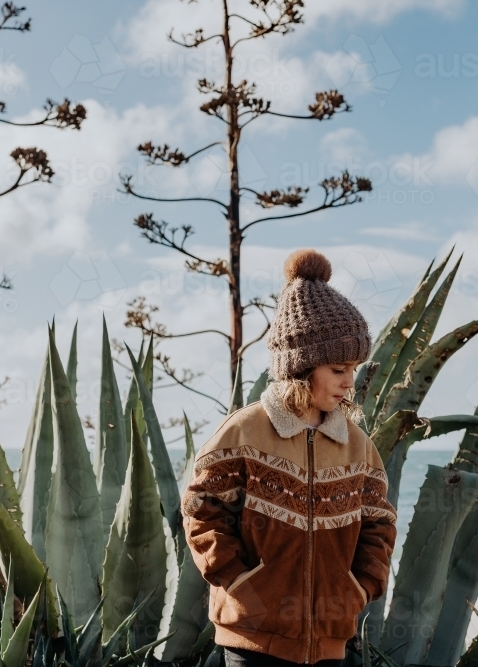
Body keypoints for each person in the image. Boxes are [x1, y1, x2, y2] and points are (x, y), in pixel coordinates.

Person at [180, 248, 398, 667]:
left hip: (330, 644)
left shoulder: (357, 446)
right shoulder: (244, 433)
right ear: (302, 366)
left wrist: (360, 586)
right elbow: (200, 511)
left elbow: (379, 523)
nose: (349, 381)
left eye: (354, 368)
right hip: (252, 643)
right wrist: (243, 585)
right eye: (338, 369)